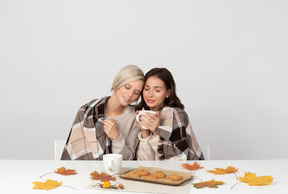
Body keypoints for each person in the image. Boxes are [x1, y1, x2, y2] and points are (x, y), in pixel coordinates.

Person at [61, 65, 144, 160]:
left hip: (117, 172)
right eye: (127, 87)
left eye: (136, 92)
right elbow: (74, 153)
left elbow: (129, 158)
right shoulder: (87, 111)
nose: (130, 94)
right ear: (118, 83)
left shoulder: (135, 117)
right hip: (85, 171)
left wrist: (117, 138)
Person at [136, 68, 204, 160]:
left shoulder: (176, 115)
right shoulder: (141, 114)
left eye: (157, 90)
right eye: (146, 89)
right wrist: (145, 133)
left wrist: (157, 132)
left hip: (189, 169)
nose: (150, 94)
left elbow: (179, 159)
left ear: (168, 93)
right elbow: (144, 162)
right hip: (156, 172)